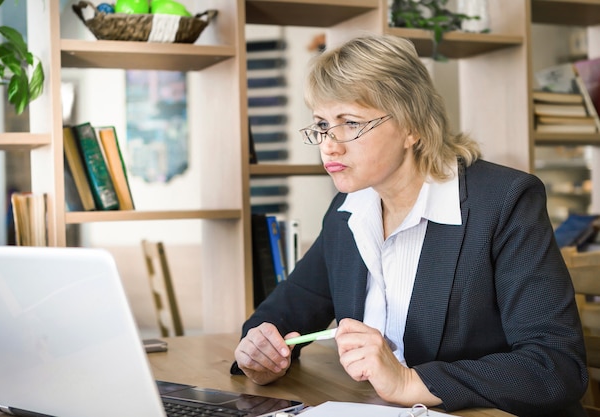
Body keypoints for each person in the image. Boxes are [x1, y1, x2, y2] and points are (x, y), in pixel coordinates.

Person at [232, 34, 588, 417]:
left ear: (412, 127)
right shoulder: (349, 210)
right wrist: (260, 353)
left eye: (349, 123)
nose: (329, 145)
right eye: (321, 124)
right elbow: (283, 314)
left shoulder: (504, 202)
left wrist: (408, 383)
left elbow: (555, 367)